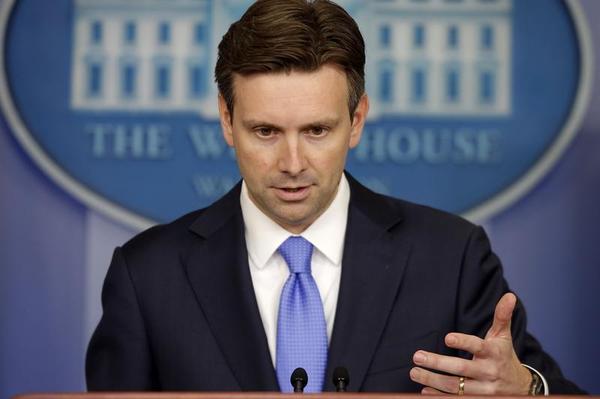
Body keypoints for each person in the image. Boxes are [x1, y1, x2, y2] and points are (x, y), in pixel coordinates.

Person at [86, 0, 584, 394]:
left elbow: (552, 391)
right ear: (225, 121)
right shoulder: (147, 274)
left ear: (357, 121)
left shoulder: (451, 258)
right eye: (265, 131)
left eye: (317, 130)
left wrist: (527, 390)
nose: (293, 162)